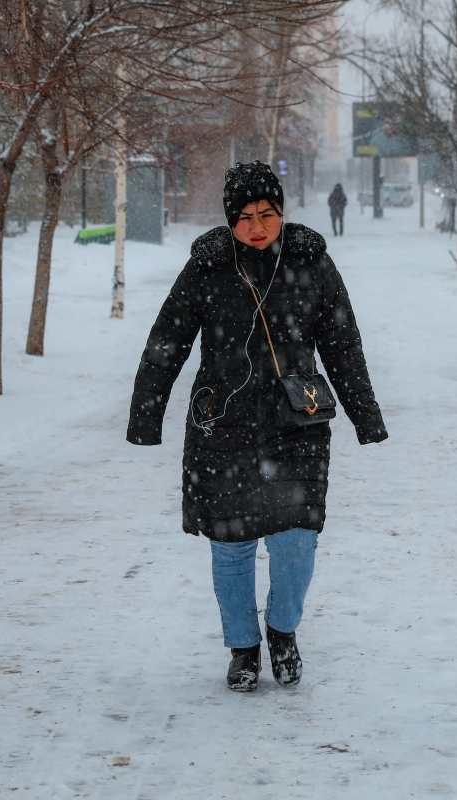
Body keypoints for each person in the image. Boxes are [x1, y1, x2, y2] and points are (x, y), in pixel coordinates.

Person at [127, 161, 387, 693]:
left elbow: (342, 344)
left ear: (282, 212)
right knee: (232, 545)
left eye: (267, 213)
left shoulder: (310, 262)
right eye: (244, 217)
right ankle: (242, 648)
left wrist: (366, 416)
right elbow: (167, 341)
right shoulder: (207, 266)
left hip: (297, 424)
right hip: (222, 424)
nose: (257, 226)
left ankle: (282, 631)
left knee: (297, 541)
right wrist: (145, 416)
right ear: (229, 221)